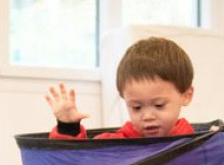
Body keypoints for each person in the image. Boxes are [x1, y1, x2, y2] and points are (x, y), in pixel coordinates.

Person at [44, 37, 197, 139]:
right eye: (136, 107)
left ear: (186, 95)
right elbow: (78, 161)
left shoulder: (198, 144)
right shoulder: (118, 143)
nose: (147, 116)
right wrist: (68, 127)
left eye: (159, 105)